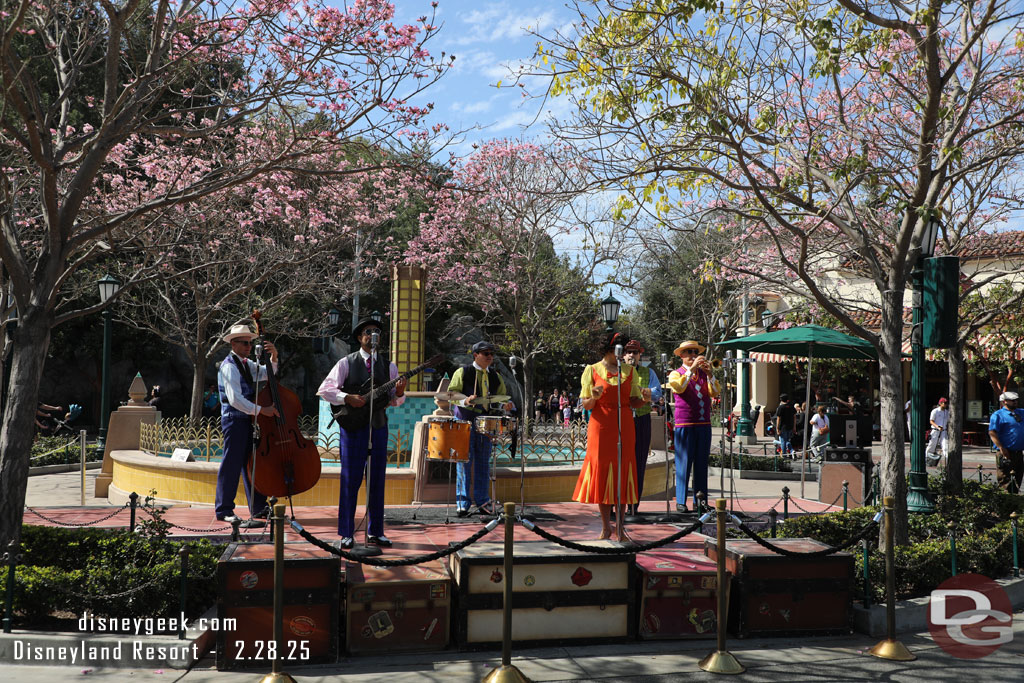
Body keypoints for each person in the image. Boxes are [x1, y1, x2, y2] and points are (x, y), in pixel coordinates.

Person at [318, 317, 407, 548]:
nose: (373, 334)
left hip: (377, 426)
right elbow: (325, 390)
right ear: (360, 337)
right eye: (368, 331)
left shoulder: (389, 366)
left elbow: (396, 402)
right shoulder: (346, 363)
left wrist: (399, 393)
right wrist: (346, 398)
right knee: (350, 479)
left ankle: (376, 531)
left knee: (377, 480)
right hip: (353, 428)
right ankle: (347, 532)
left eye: (377, 331)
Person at [574, 332, 649, 540]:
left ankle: (621, 527)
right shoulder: (592, 370)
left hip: (624, 424)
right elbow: (586, 404)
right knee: (604, 473)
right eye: (618, 347)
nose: (622, 352)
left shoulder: (629, 371)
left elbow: (634, 401)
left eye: (623, 348)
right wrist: (594, 397)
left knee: (622, 473)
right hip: (601, 425)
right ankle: (606, 526)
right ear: (607, 349)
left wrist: (644, 400)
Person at [215, 324, 278, 528]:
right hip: (234, 420)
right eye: (244, 343)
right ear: (233, 344)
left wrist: (274, 357)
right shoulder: (229, 366)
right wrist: (262, 410)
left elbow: (266, 373)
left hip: (246, 420)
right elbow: (235, 399)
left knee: (251, 463)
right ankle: (224, 509)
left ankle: (258, 506)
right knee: (231, 464)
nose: (249, 346)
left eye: (250, 343)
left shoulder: (245, 363)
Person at [447, 340, 513, 517]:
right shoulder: (463, 371)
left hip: (485, 423)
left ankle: (483, 500)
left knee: (483, 463)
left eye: (491, 353)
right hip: (465, 421)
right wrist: (466, 400)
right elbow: (451, 393)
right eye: (486, 353)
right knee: (463, 462)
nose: (490, 356)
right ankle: (462, 503)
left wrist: (506, 405)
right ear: (476, 355)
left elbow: (501, 397)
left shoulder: (495, 375)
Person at [668, 340, 719, 513]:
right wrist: (691, 369)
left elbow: (715, 392)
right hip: (685, 424)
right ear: (681, 356)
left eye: (695, 352)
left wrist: (710, 374)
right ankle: (681, 501)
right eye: (688, 352)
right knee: (683, 463)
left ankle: (701, 500)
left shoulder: (704, 375)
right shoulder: (676, 374)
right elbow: (679, 387)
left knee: (701, 464)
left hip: (704, 424)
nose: (692, 355)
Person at [623, 339, 663, 516]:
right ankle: (616, 503)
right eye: (628, 351)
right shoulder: (617, 372)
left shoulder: (649, 372)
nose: (632, 355)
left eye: (635, 352)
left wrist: (640, 391)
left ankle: (634, 505)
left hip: (641, 420)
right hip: (622, 421)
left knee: (639, 463)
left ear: (640, 355)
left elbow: (656, 394)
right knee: (620, 463)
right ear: (623, 355)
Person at [989, 391, 1024, 493]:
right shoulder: (998, 415)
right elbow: (992, 432)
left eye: (1016, 400)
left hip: (1019, 453)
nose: (1015, 402)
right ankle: (1005, 505)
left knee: (1017, 480)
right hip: (1006, 453)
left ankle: (1014, 505)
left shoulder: (1021, 412)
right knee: (1005, 482)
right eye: (1012, 400)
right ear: (1004, 402)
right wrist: (1001, 447)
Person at [926, 397, 950, 465]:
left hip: (943, 431)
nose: (946, 404)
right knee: (931, 446)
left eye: (946, 403)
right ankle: (927, 459)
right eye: (944, 403)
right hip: (935, 431)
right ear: (940, 403)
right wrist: (937, 426)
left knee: (945, 446)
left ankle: (948, 462)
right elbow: (931, 421)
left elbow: (948, 422)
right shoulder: (935, 411)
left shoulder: (947, 412)